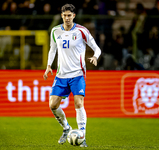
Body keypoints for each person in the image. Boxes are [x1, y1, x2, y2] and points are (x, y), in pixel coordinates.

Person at [43, 4, 101, 147]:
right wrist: (49, 66)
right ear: (61, 16)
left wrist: (95, 57)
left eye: (69, 15)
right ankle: (66, 128)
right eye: (65, 15)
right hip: (61, 75)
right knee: (53, 105)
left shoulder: (82, 31)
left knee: (78, 103)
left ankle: (82, 135)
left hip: (77, 74)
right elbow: (52, 49)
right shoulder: (55, 31)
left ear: (74, 16)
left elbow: (96, 48)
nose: (67, 18)